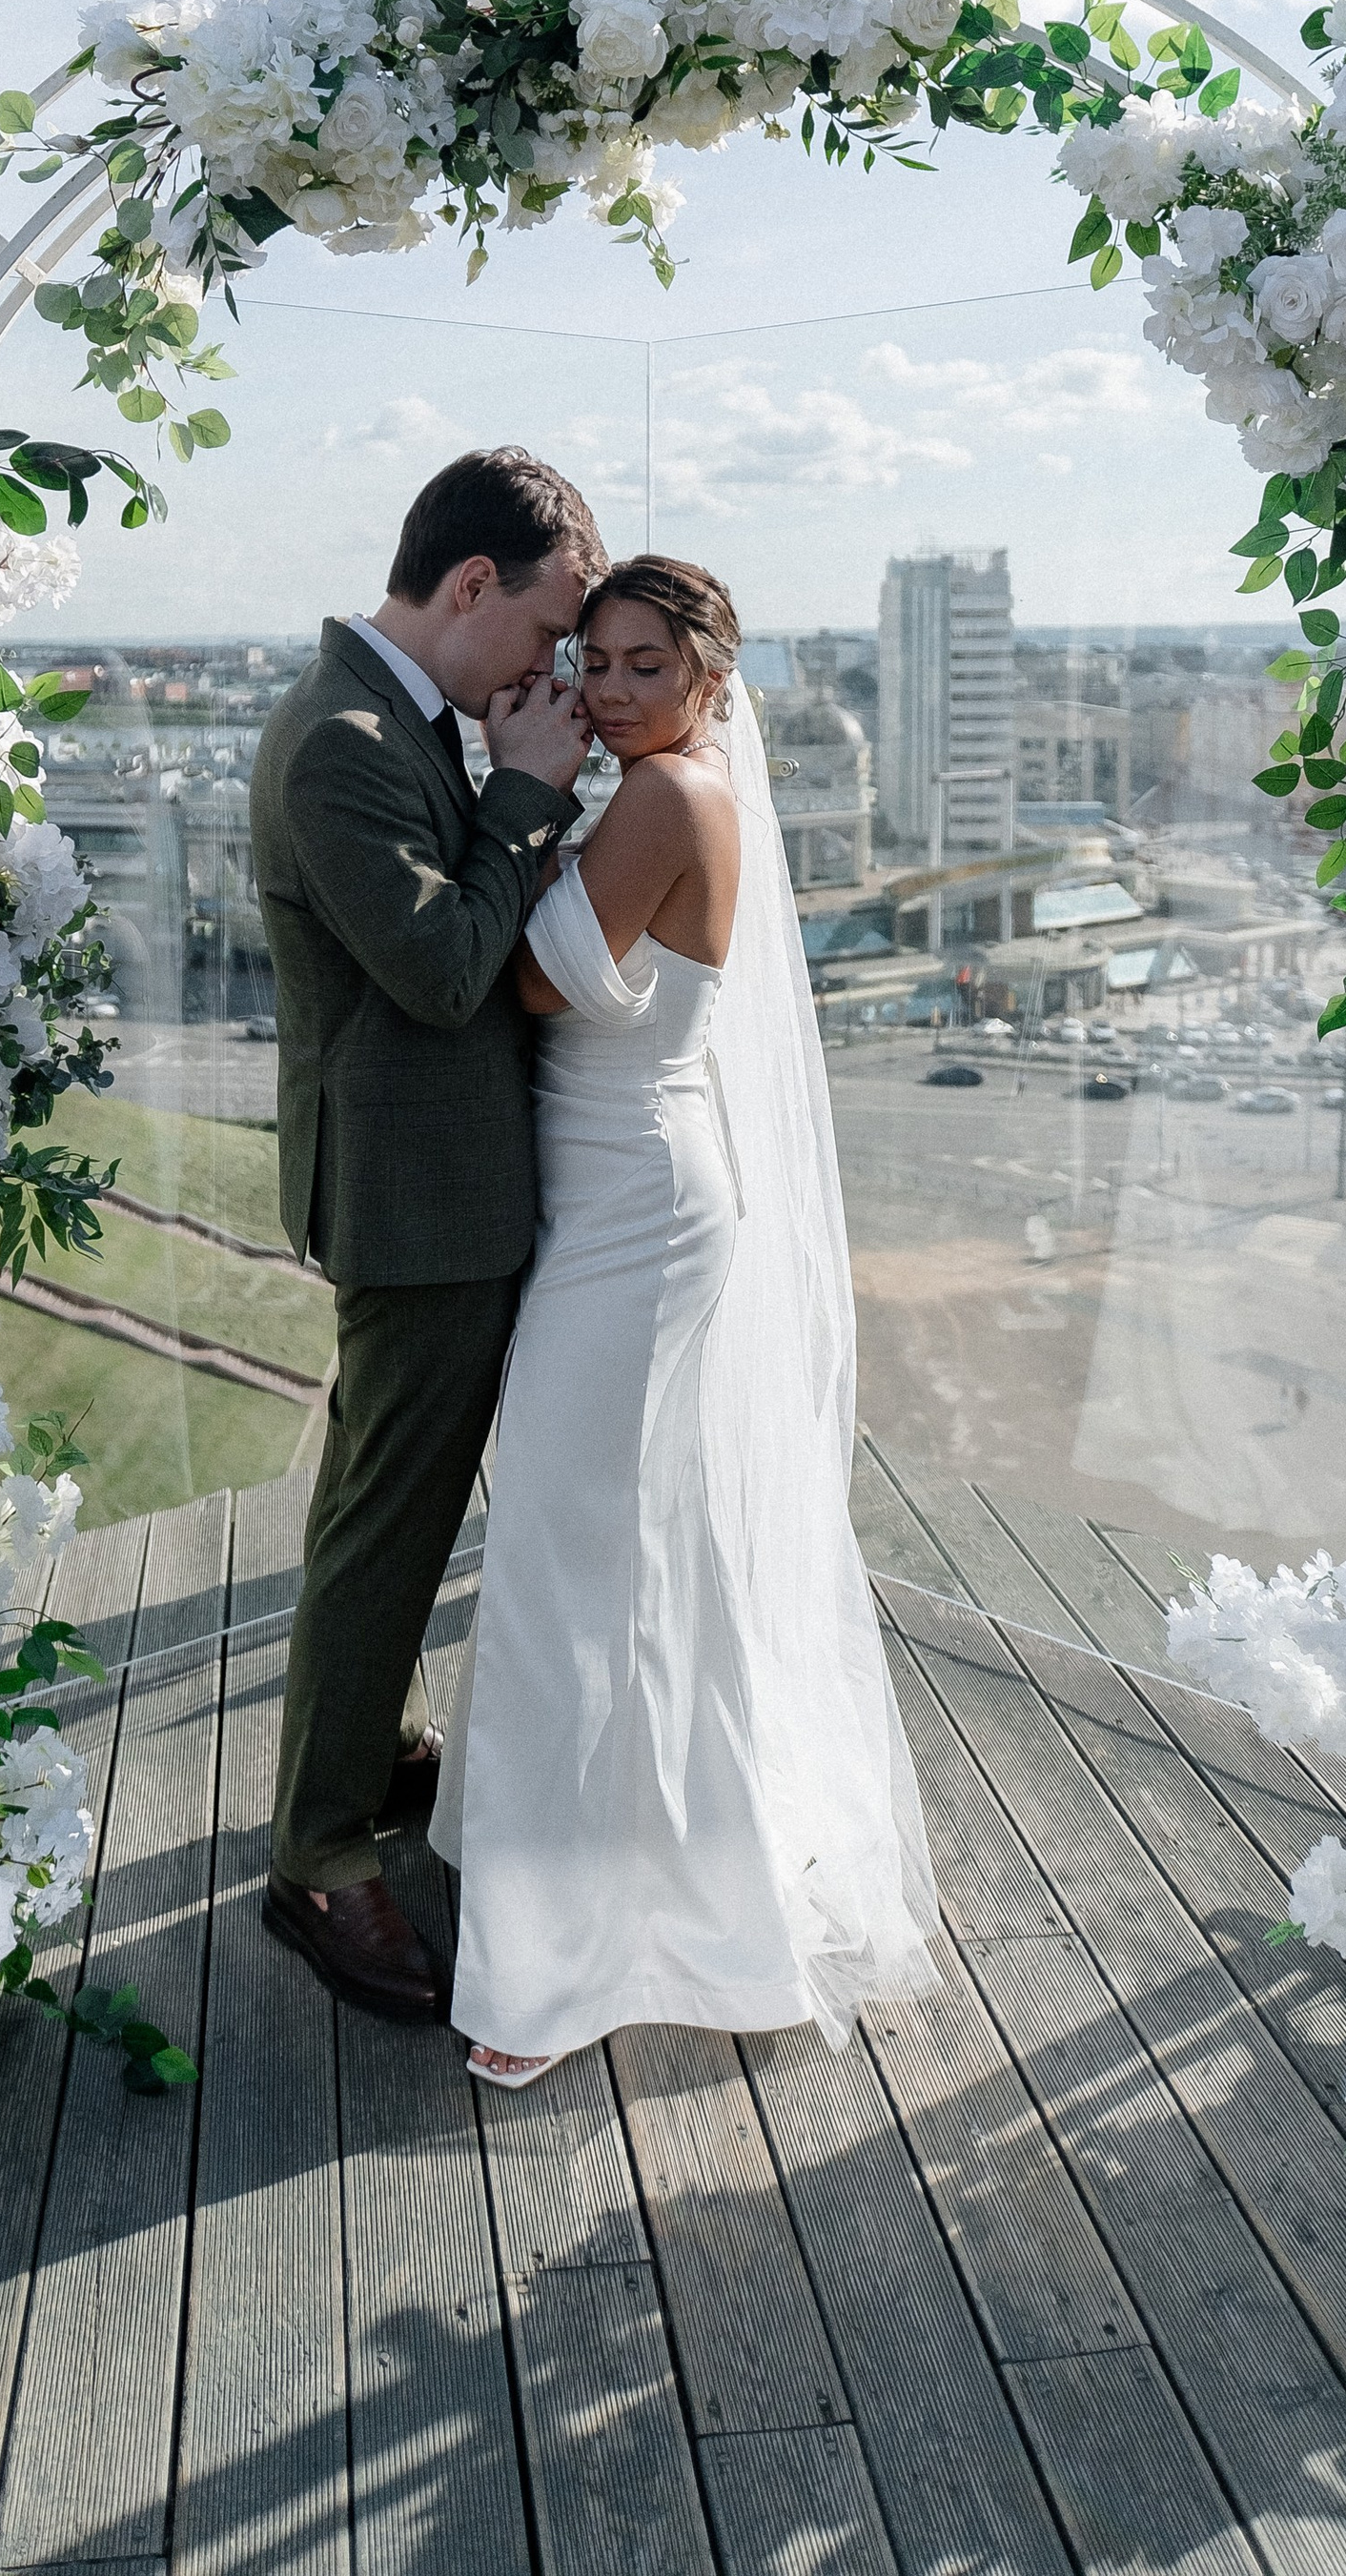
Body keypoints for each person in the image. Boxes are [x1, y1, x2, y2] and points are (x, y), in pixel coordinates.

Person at [430, 556, 938, 2083]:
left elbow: (527, 987)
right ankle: (626, 1887)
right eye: (593, 659)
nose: (611, 687)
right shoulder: (659, 783)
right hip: (621, 1194)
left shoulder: (669, 799)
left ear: (713, 677)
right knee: (618, 1556)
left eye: (646, 664)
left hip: (638, 1207)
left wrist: (529, 792)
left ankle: (572, 1960)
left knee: (573, 1563)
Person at [252, 446, 606, 2024]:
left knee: (379, 1503)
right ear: (472, 586)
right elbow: (446, 970)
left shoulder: (394, 713)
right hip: (417, 1197)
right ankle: (319, 1862)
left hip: (431, 1181)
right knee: (387, 1522)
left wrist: (511, 789)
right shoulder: (340, 740)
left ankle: (365, 1747)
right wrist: (526, 796)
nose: (546, 678)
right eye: (542, 640)